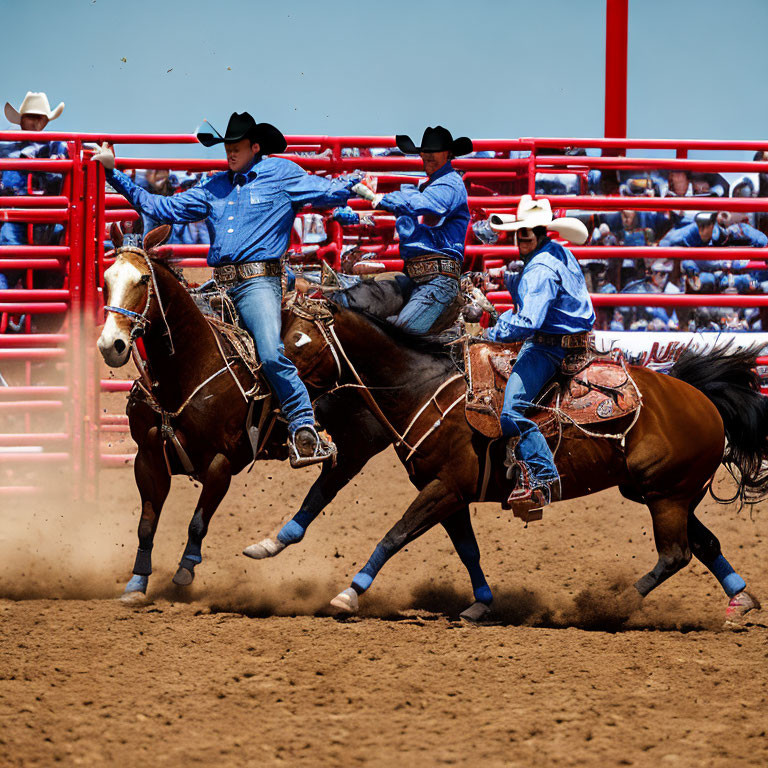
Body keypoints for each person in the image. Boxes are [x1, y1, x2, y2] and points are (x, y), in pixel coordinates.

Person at [93, 111, 363, 467]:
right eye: (227, 148)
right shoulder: (214, 186)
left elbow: (324, 191)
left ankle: (302, 427)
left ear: (255, 147)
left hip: (258, 284)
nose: (230, 153)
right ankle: (171, 419)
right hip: (218, 284)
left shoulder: (280, 174)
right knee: (174, 338)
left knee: (269, 351)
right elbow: (161, 206)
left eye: (236, 147)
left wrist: (354, 186)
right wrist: (113, 173)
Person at [483, 195, 593, 509]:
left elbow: (528, 321)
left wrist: (491, 330)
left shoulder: (539, 269)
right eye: (521, 231)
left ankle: (542, 475)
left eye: (528, 231)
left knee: (510, 412)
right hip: (577, 343)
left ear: (539, 232)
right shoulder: (557, 252)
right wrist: (505, 278)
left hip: (549, 350)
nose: (523, 236)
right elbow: (542, 287)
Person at [346, 125, 472, 334]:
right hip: (415, 277)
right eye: (426, 151)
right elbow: (398, 213)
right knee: (356, 311)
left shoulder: (449, 184)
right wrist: (356, 216)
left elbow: (425, 205)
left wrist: (383, 198)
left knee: (395, 336)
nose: (428, 155)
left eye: (434, 150)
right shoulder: (428, 187)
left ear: (448, 153)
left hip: (437, 281)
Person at [0, 91, 68, 290]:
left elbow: (57, 180)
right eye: (31, 117)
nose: (36, 123)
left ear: (46, 121)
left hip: (43, 218)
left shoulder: (56, 145)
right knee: (8, 262)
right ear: (22, 119)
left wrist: (36, 165)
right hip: (10, 215)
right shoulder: (5, 144)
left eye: (41, 118)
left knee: (54, 262)